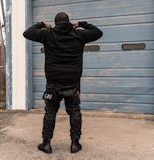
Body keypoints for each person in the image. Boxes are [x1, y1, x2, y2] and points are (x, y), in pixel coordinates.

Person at [23, 12, 103, 154]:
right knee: (74, 112)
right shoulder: (79, 35)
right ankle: (75, 144)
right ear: (69, 22)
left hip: (53, 84)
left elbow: (27, 33)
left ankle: (46, 144)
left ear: (55, 23)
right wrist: (82, 24)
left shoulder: (48, 34)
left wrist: (42, 24)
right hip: (72, 83)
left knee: (50, 112)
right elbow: (98, 32)